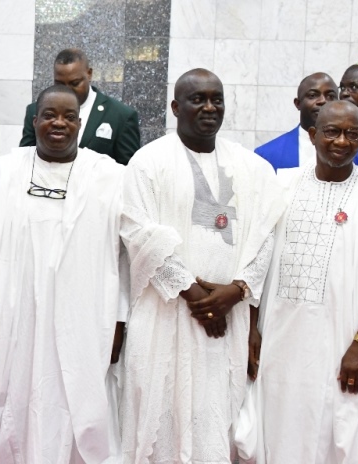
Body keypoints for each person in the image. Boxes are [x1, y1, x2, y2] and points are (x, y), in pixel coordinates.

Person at [119, 68, 284, 462]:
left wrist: (237, 290)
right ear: (176, 107)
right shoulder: (147, 162)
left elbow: (266, 233)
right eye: (198, 99)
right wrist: (195, 296)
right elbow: (139, 232)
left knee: (218, 412)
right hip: (167, 315)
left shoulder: (253, 168)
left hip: (228, 319)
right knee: (160, 410)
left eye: (217, 99)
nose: (209, 107)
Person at [0, 84, 127, 463]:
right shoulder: (0, 172)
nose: (59, 123)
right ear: (34, 121)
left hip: (85, 319)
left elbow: (124, 256)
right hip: (16, 315)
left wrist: (120, 319)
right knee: (13, 397)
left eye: (69, 117)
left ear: (80, 123)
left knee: (77, 402)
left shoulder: (109, 176)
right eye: (50, 115)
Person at [256, 100, 358, 463]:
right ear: (312, 135)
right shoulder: (280, 186)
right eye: (332, 132)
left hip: (348, 339)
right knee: (282, 432)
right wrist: (252, 332)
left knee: (344, 434)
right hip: (283, 342)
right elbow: (257, 261)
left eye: (352, 134)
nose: (342, 141)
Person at [19, 48, 141, 165]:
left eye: (75, 83)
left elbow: (129, 171)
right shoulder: (35, 110)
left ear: (89, 74)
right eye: (60, 83)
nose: (67, 90)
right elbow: (25, 159)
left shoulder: (120, 115)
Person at [254, 72, 358, 171]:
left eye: (330, 96)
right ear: (298, 103)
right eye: (313, 95)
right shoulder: (267, 154)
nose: (323, 101)